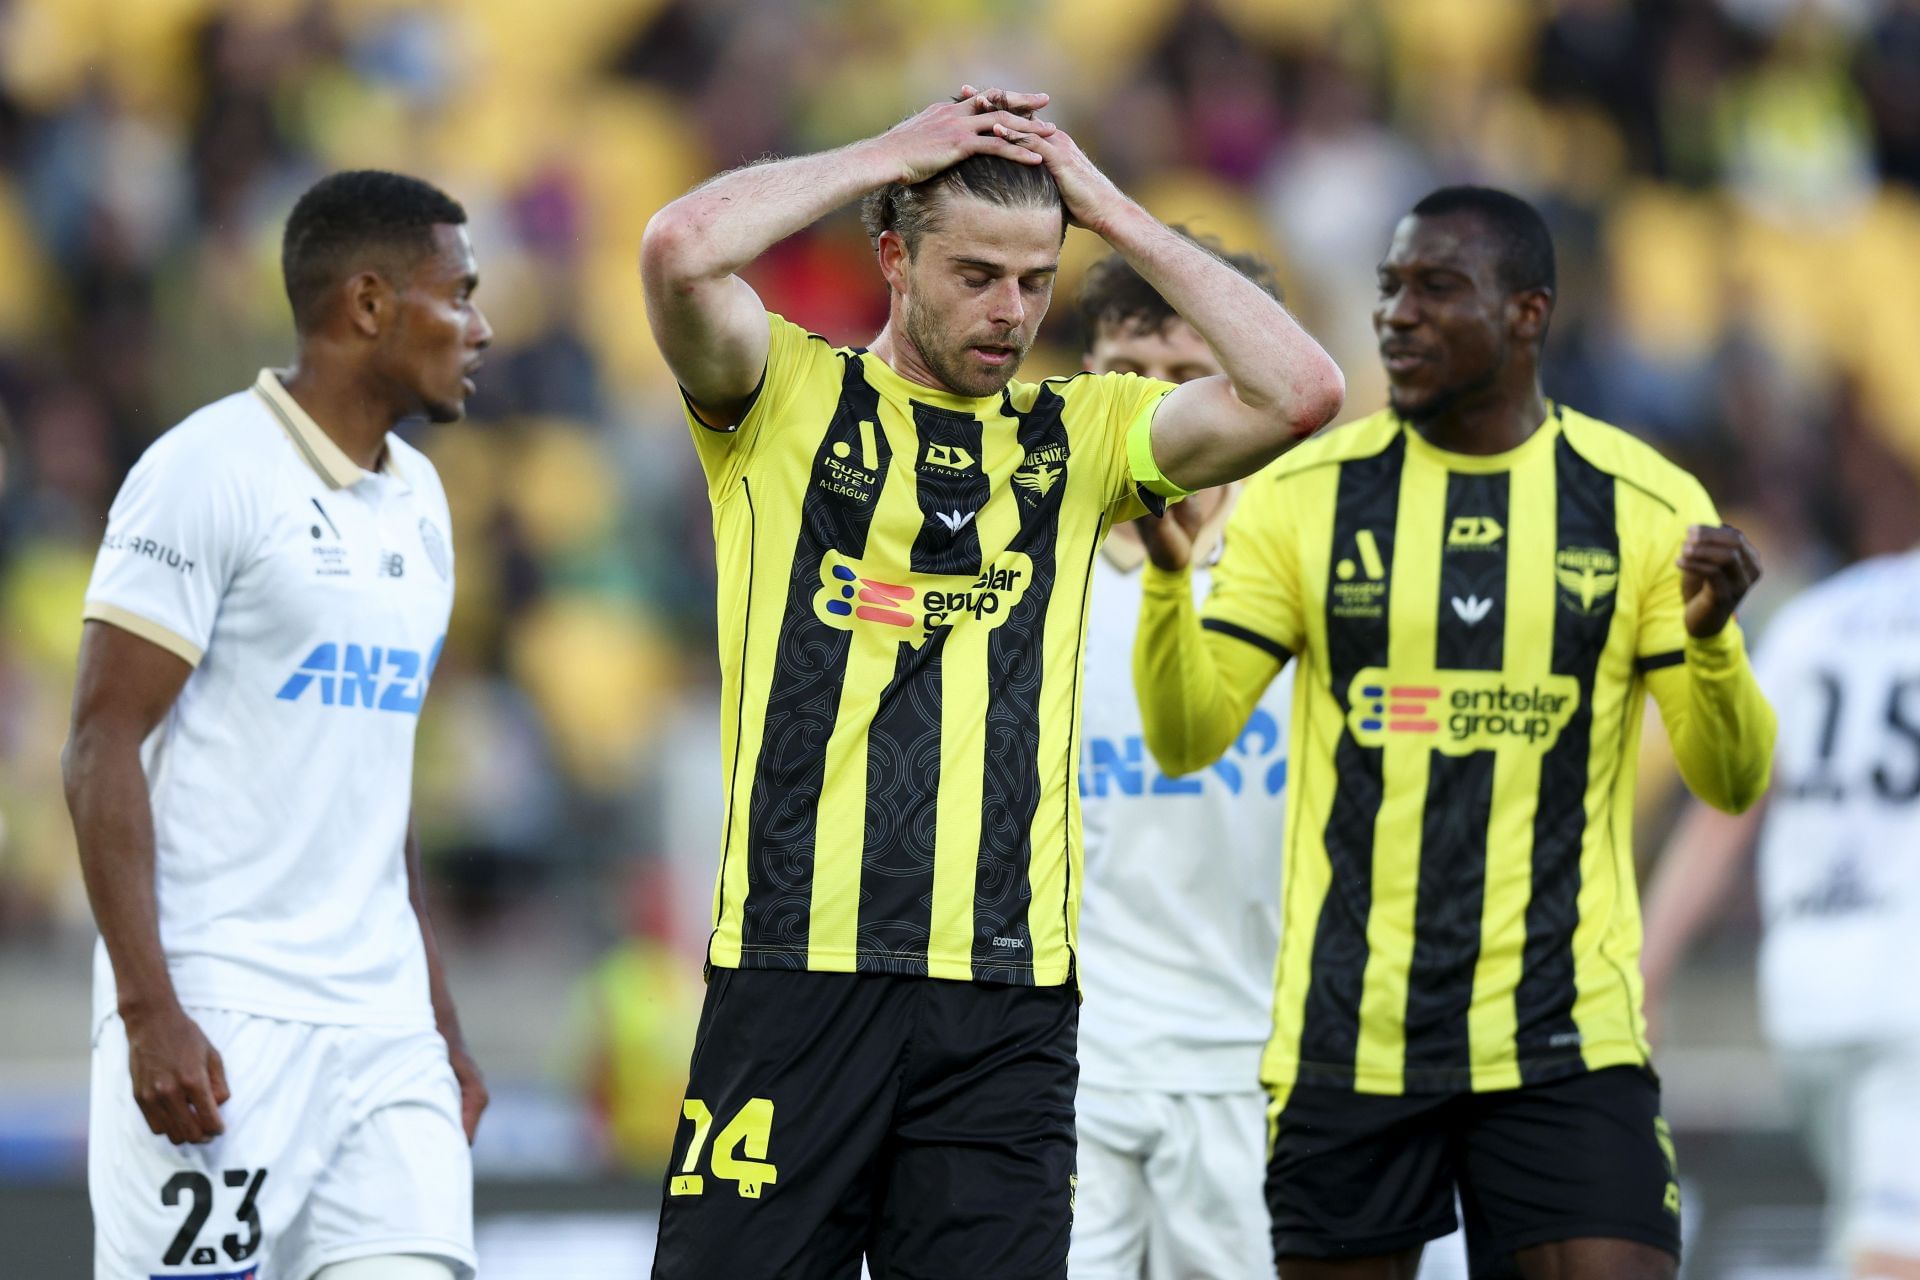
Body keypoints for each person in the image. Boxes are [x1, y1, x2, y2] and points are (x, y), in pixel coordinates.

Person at [638, 85, 1344, 1277]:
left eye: (1036, 279)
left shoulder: (1081, 438)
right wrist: (886, 151)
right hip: (795, 971)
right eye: (975, 274)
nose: (1010, 310)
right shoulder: (782, 397)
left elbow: (1303, 391)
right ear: (894, 258)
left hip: (1006, 1001)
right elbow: (679, 248)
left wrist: (1108, 210)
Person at [1132, 185, 1775, 1280]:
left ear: (1528, 313)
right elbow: (1189, 737)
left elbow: (1732, 777)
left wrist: (1712, 646)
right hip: (1353, 1035)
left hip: (1564, 1037)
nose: (1398, 314)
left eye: (1437, 287)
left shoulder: (1642, 502)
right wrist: (1165, 583)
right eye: (1389, 288)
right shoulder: (1306, 495)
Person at [64, 170, 492, 1280]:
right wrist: (148, 1009)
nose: (481, 327)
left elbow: (375, 785)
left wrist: (438, 1020)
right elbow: (100, 744)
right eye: (459, 294)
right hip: (219, 1014)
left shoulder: (423, 502)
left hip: (383, 1032)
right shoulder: (203, 471)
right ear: (369, 303)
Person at [1069, 235, 1296, 1278]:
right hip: (1067, 1061)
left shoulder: (1304, 571)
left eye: (1185, 371)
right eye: (1128, 369)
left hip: (1257, 1062)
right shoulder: (1026, 567)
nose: (1155, 401)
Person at [1642, 544, 1920, 1280]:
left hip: (1809, 995)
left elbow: (1725, 810)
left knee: (1871, 1230)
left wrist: (1647, 970)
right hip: (1909, 1000)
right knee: (1895, 1256)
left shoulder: (1817, 618)